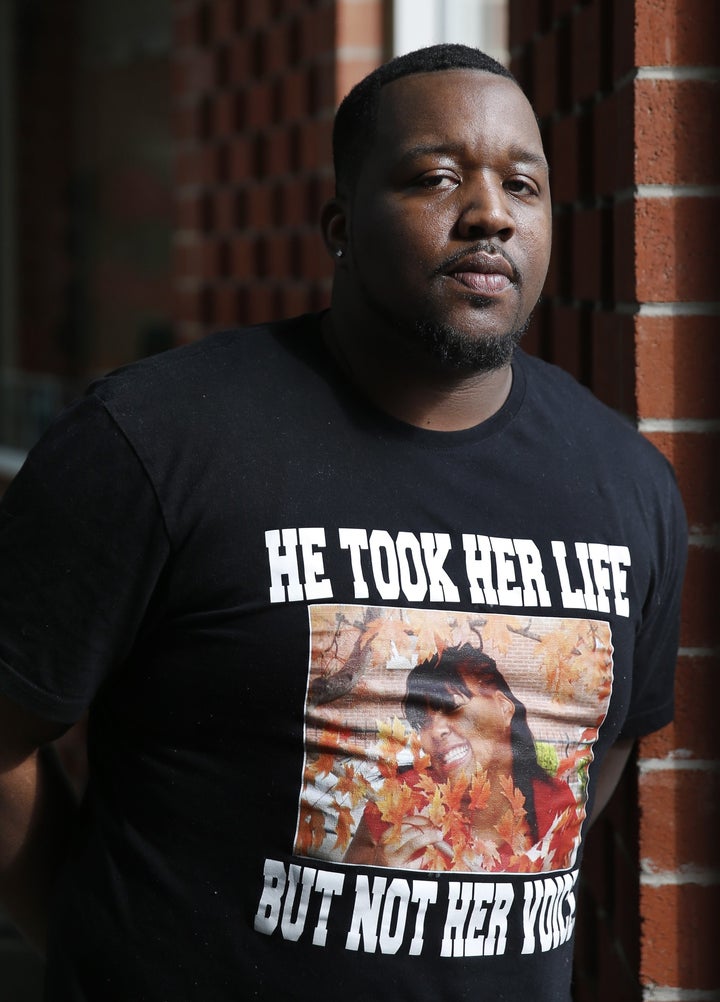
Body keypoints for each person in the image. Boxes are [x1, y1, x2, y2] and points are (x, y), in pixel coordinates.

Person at [0, 43, 687, 1002]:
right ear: (341, 226)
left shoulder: (628, 488)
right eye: (436, 178)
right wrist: (86, 940)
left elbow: (600, 752)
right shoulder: (154, 441)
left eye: (521, 186)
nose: (490, 212)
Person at [345, 643, 579, 872]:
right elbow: (345, 894)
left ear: (505, 709)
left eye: (452, 705)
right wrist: (377, 871)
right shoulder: (400, 802)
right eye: (422, 722)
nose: (435, 731)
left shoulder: (555, 804)